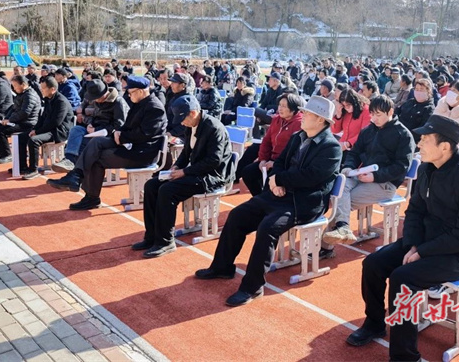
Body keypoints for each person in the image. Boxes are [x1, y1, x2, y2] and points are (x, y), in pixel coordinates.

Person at [347, 115, 459, 361]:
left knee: (403, 278)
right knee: (373, 263)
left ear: (445, 146)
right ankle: (374, 323)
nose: (419, 144)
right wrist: (413, 244)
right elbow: (414, 210)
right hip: (426, 240)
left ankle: (405, 356)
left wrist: (423, 252)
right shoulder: (427, 168)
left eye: (425, 139)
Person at [195, 96, 342, 307]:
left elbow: (310, 177)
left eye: (307, 113)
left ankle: (252, 287)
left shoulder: (331, 148)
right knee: (237, 216)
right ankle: (222, 267)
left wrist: (279, 179)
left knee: (267, 228)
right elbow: (281, 162)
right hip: (279, 194)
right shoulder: (298, 136)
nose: (303, 116)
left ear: (320, 120)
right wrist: (276, 181)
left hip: (304, 202)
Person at [132, 95, 233, 257]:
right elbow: (186, 152)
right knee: (151, 185)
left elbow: (213, 162)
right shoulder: (191, 125)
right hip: (196, 171)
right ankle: (151, 236)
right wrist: (177, 166)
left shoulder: (214, 128)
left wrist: (184, 172)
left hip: (212, 175)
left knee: (167, 191)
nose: (181, 123)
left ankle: (165, 241)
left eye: (182, 118)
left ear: (193, 113)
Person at [47, 76, 167, 209]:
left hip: (142, 153)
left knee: (95, 158)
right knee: (97, 142)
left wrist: (122, 136)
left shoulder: (154, 107)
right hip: (131, 145)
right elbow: (126, 125)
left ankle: (86, 191)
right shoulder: (139, 103)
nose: (128, 94)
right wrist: (118, 132)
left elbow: (144, 134)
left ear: (141, 91)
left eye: (131, 91)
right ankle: (77, 177)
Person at [322, 95, 415, 250]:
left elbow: (401, 166)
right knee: (340, 185)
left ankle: (324, 247)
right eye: (372, 114)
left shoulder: (403, 135)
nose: (374, 118)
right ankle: (342, 229)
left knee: (342, 201)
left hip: (385, 183)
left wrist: (375, 176)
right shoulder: (368, 131)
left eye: (378, 115)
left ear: (390, 111)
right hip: (361, 174)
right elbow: (355, 152)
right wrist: (349, 168)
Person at [52, 79, 129, 171]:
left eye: (97, 98)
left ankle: (77, 167)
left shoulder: (118, 102)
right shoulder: (98, 101)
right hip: (95, 130)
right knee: (76, 130)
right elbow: (96, 116)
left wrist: (97, 130)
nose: (95, 100)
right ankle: (69, 159)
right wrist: (91, 124)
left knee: (84, 141)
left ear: (104, 93)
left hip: (110, 134)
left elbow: (119, 125)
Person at [237, 93, 304, 196]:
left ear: (293, 108)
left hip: (285, 164)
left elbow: (295, 152)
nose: (280, 108)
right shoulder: (277, 119)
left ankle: (265, 202)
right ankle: (259, 199)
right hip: (271, 159)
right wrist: (262, 159)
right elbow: (266, 141)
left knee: (270, 182)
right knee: (247, 173)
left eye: (284, 106)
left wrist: (275, 163)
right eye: (279, 105)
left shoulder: (299, 124)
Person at [15, 77, 74, 180]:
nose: (41, 90)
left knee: (34, 140)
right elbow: (42, 118)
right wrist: (35, 129)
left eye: (43, 88)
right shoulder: (48, 99)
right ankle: (23, 166)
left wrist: (37, 132)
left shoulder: (61, 102)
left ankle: (34, 169)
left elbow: (55, 122)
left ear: (53, 89)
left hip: (58, 131)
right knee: (22, 137)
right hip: (48, 129)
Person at [0, 75, 40, 164]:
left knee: (0, 131)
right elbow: (13, 108)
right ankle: (0, 153)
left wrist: (10, 120)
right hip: (18, 121)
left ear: (23, 85)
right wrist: (7, 118)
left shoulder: (30, 95)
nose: (14, 88)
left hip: (27, 123)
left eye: (15, 86)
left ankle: (7, 155)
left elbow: (25, 113)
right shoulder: (21, 94)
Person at [397, 78, 435, 144]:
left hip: (413, 140)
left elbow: (423, 128)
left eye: (421, 90)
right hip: (398, 133)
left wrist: (406, 135)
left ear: (428, 91)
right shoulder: (410, 102)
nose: (418, 92)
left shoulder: (429, 109)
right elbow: (397, 112)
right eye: (417, 89)